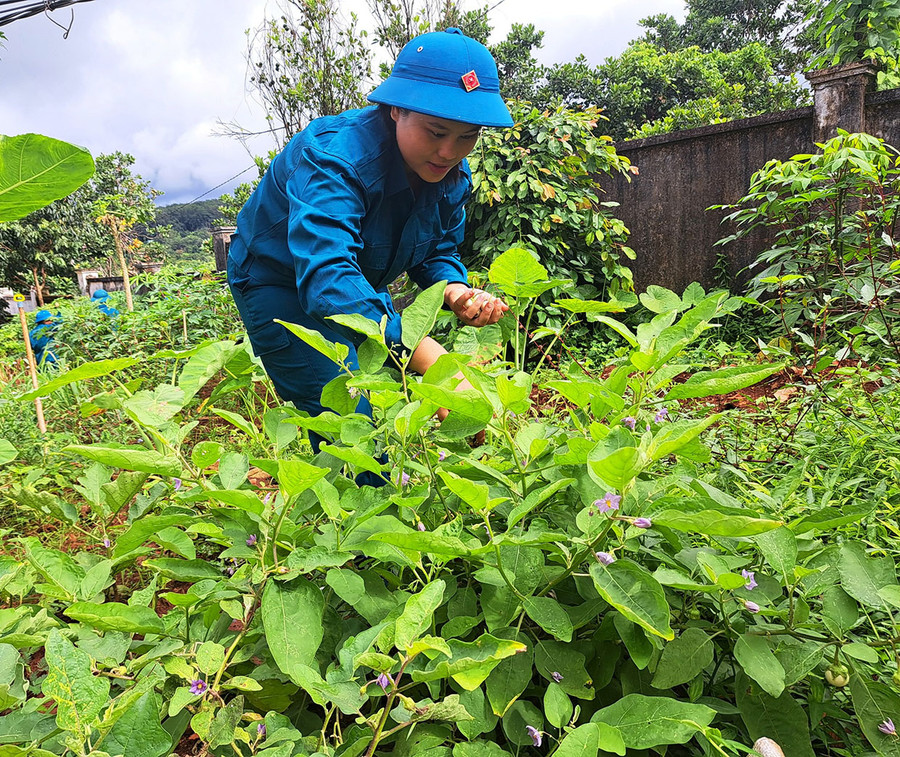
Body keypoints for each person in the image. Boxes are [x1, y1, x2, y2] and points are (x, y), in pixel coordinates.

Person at [227, 27, 511, 451]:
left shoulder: (450, 175)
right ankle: (350, 492)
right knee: (350, 419)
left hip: (357, 280)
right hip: (278, 281)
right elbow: (328, 274)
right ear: (396, 109)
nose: (450, 152)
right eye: (436, 132)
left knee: (382, 397)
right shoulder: (334, 158)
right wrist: (432, 360)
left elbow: (437, 247)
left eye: (467, 136)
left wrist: (454, 289)